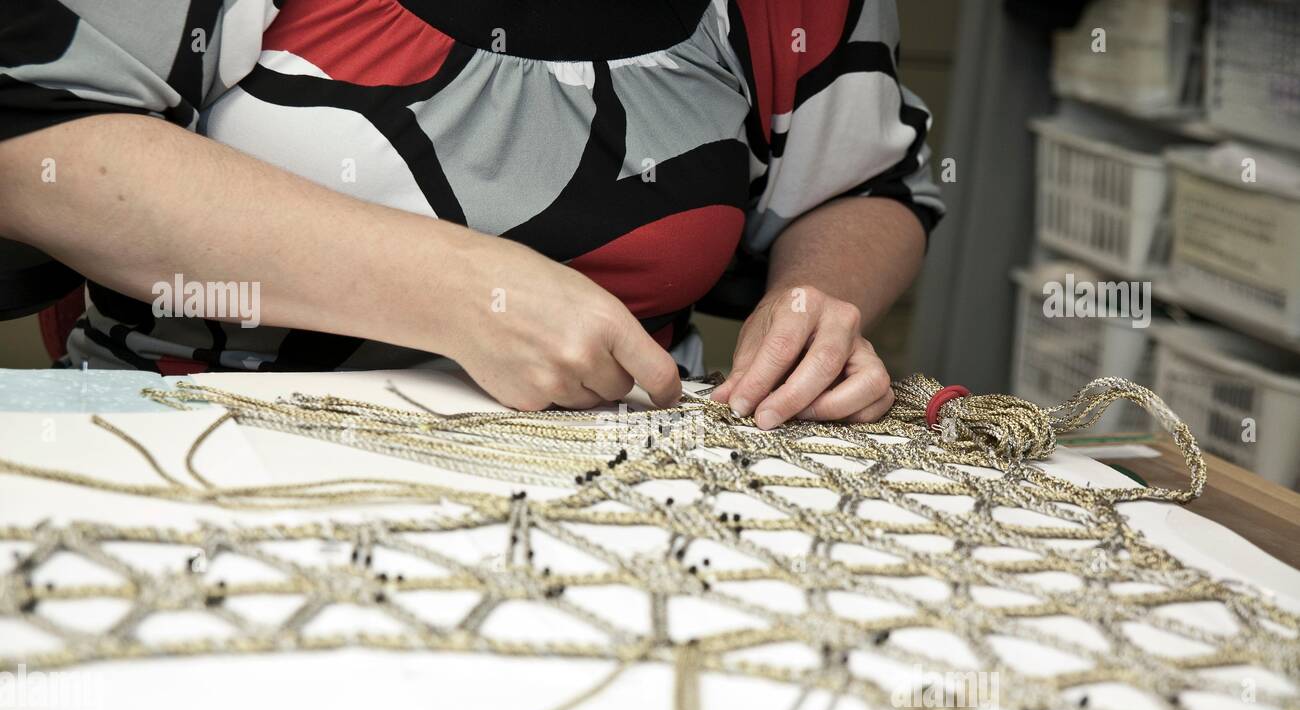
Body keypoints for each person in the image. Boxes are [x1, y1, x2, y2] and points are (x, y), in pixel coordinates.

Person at [0, 0, 942, 428]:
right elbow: (37, 147)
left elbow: (863, 185)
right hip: (191, 443)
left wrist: (815, 302)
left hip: (630, 483)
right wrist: (466, 293)